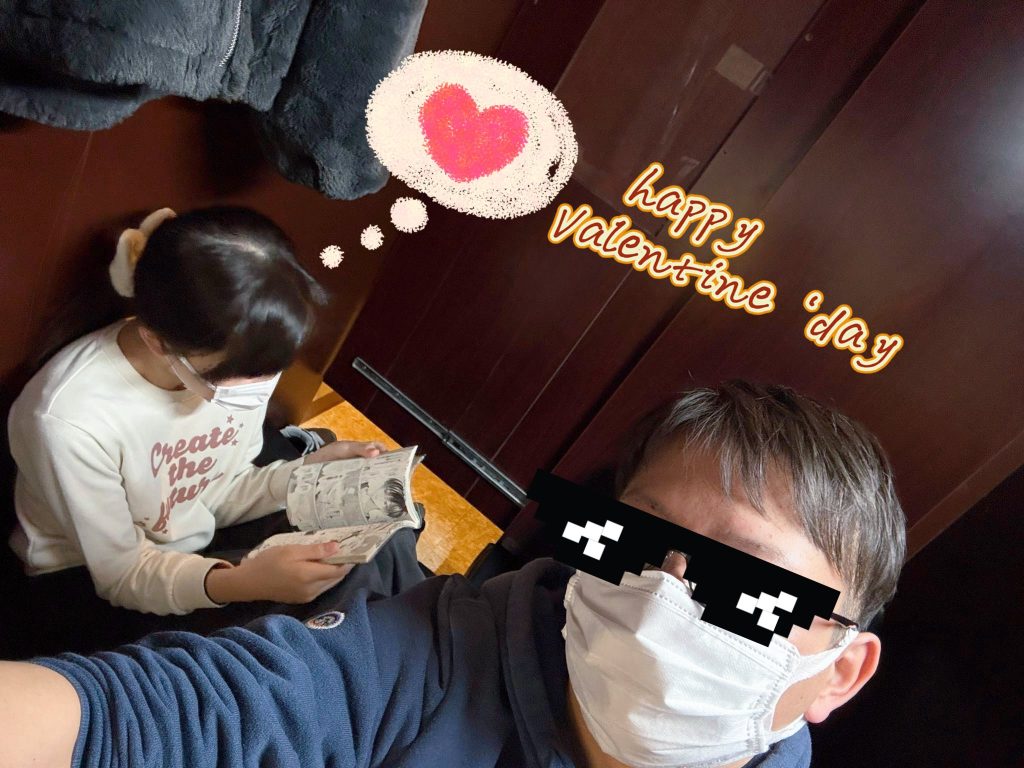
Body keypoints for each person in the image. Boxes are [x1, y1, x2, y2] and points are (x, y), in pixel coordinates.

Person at [0, 381, 906, 768]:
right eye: (637, 540)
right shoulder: (436, 656)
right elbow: (172, 713)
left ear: (842, 670)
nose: (664, 592)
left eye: (744, 579)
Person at [4, 206, 393, 632]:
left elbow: (214, 492)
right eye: (238, 376)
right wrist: (241, 582)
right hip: (84, 578)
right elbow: (123, 573)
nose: (259, 387)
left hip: (189, 545)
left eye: (267, 371)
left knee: (370, 560)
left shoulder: (247, 353)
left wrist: (303, 476)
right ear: (157, 342)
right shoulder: (70, 422)